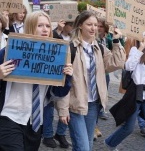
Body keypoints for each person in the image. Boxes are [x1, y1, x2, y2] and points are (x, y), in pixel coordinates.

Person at [0, 11, 73, 151]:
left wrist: (67, 77)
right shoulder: (10, 50)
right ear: (30, 26)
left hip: (35, 122)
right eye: (40, 25)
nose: (45, 29)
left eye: (47, 25)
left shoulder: (57, 55)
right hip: (10, 117)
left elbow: (57, 94)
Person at [57, 10, 126, 151]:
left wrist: (116, 41)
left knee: (87, 145)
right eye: (89, 24)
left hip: (93, 104)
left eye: (95, 25)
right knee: (83, 147)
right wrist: (63, 109)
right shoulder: (70, 48)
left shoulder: (99, 48)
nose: (93, 28)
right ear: (80, 25)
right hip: (75, 104)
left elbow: (117, 63)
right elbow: (63, 80)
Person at [105, 24, 145, 151]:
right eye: (144, 32)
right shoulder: (135, 50)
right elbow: (129, 66)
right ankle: (110, 143)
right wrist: (141, 47)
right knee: (129, 127)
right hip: (136, 92)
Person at [42, 20, 73, 148]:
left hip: (63, 75)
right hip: (47, 76)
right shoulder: (55, 35)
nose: (71, 27)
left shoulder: (75, 39)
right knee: (48, 108)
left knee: (65, 107)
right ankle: (47, 135)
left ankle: (60, 133)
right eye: (69, 24)